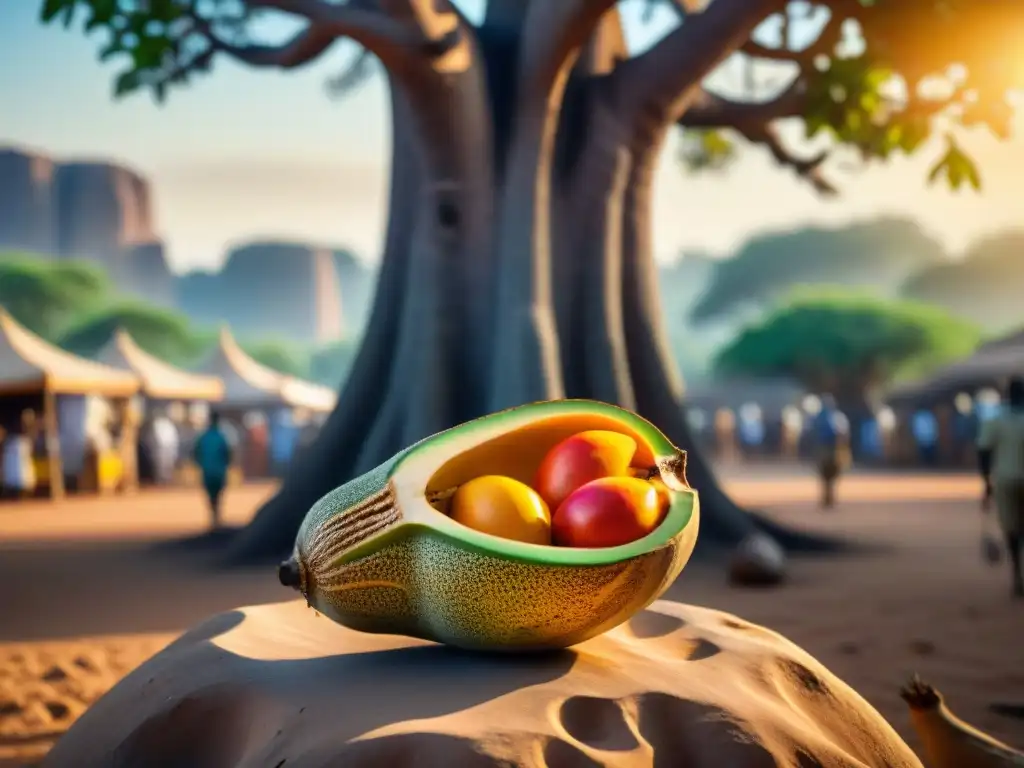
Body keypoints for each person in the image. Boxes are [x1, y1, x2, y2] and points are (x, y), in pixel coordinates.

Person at [977, 376, 1024, 598]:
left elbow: (984, 452)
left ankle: (1017, 574)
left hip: (1005, 479)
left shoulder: (996, 420)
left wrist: (986, 483)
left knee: (1011, 528)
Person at [193, 411, 233, 529]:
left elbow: (196, 453)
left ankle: (213, 517)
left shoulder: (204, 437)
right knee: (218, 495)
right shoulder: (221, 437)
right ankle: (216, 517)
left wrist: (201, 464)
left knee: (211, 496)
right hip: (219, 471)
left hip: (207, 471)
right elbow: (228, 454)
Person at [811, 395, 850, 509]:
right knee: (832, 475)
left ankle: (827, 498)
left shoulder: (819, 417)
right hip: (833, 449)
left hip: (824, 449)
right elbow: (844, 434)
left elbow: (813, 433)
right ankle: (830, 498)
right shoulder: (838, 416)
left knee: (825, 476)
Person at [2, 414, 37, 500]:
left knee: (24, 475)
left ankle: (23, 494)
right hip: (14, 467)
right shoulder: (11, 441)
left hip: (23, 463)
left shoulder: (24, 440)